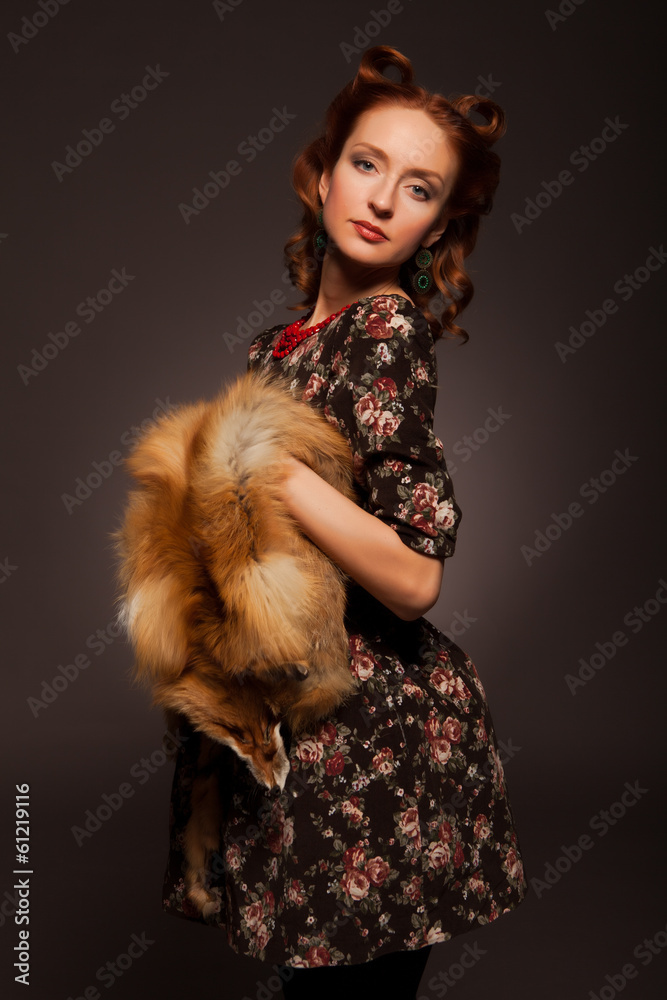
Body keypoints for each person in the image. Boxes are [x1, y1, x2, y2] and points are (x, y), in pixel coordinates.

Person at [161, 45, 528, 999]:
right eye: (365, 165)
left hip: (378, 736)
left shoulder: (385, 331)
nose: (379, 199)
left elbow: (413, 580)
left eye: (418, 188)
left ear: (439, 222)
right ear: (323, 176)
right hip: (295, 724)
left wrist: (277, 478)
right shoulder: (278, 345)